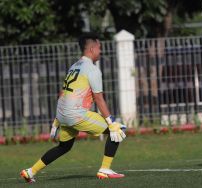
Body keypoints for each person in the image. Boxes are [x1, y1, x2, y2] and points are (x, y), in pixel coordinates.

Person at [20, 33, 127, 183]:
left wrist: (57, 121)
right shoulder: (92, 69)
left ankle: (30, 172)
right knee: (118, 130)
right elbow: (99, 98)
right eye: (99, 47)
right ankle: (105, 169)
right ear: (92, 48)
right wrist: (111, 123)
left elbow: (62, 93)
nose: (100, 51)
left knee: (64, 147)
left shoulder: (74, 66)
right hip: (77, 115)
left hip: (64, 114)